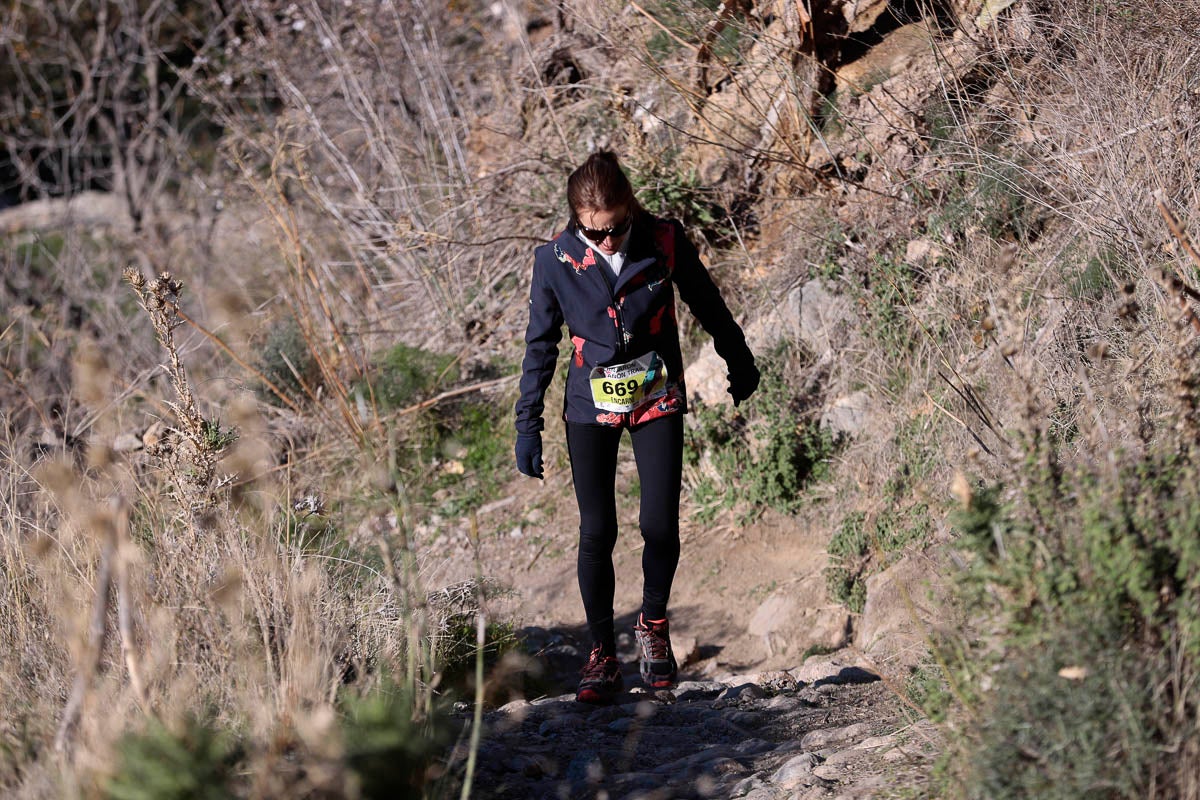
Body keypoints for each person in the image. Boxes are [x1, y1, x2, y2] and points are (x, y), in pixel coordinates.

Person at [514, 151, 759, 704]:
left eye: (616, 227)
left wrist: (737, 357)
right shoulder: (554, 259)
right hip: (588, 404)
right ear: (575, 219)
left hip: (656, 396)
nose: (606, 241)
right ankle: (602, 654)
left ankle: (652, 625)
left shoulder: (663, 240)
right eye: (592, 231)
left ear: (631, 208)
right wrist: (526, 422)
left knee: (659, 524)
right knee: (597, 530)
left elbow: (706, 301)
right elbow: (539, 343)